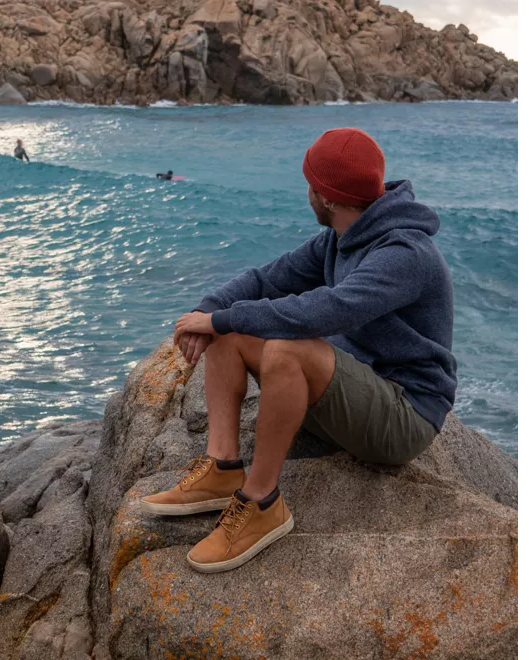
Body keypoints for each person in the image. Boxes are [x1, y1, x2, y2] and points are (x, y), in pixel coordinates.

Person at [140, 127, 455, 574]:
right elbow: (268, 278)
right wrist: (209, 312)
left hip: (404, 416)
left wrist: (222, 318)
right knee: (230, 329)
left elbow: (323, 312)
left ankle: (262, 502)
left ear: (325, 197)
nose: (305, 190)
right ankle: (223, 467)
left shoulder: (405, 253)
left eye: (310, 182)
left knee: (286, 347)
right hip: (349, 393)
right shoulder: (339, 238)